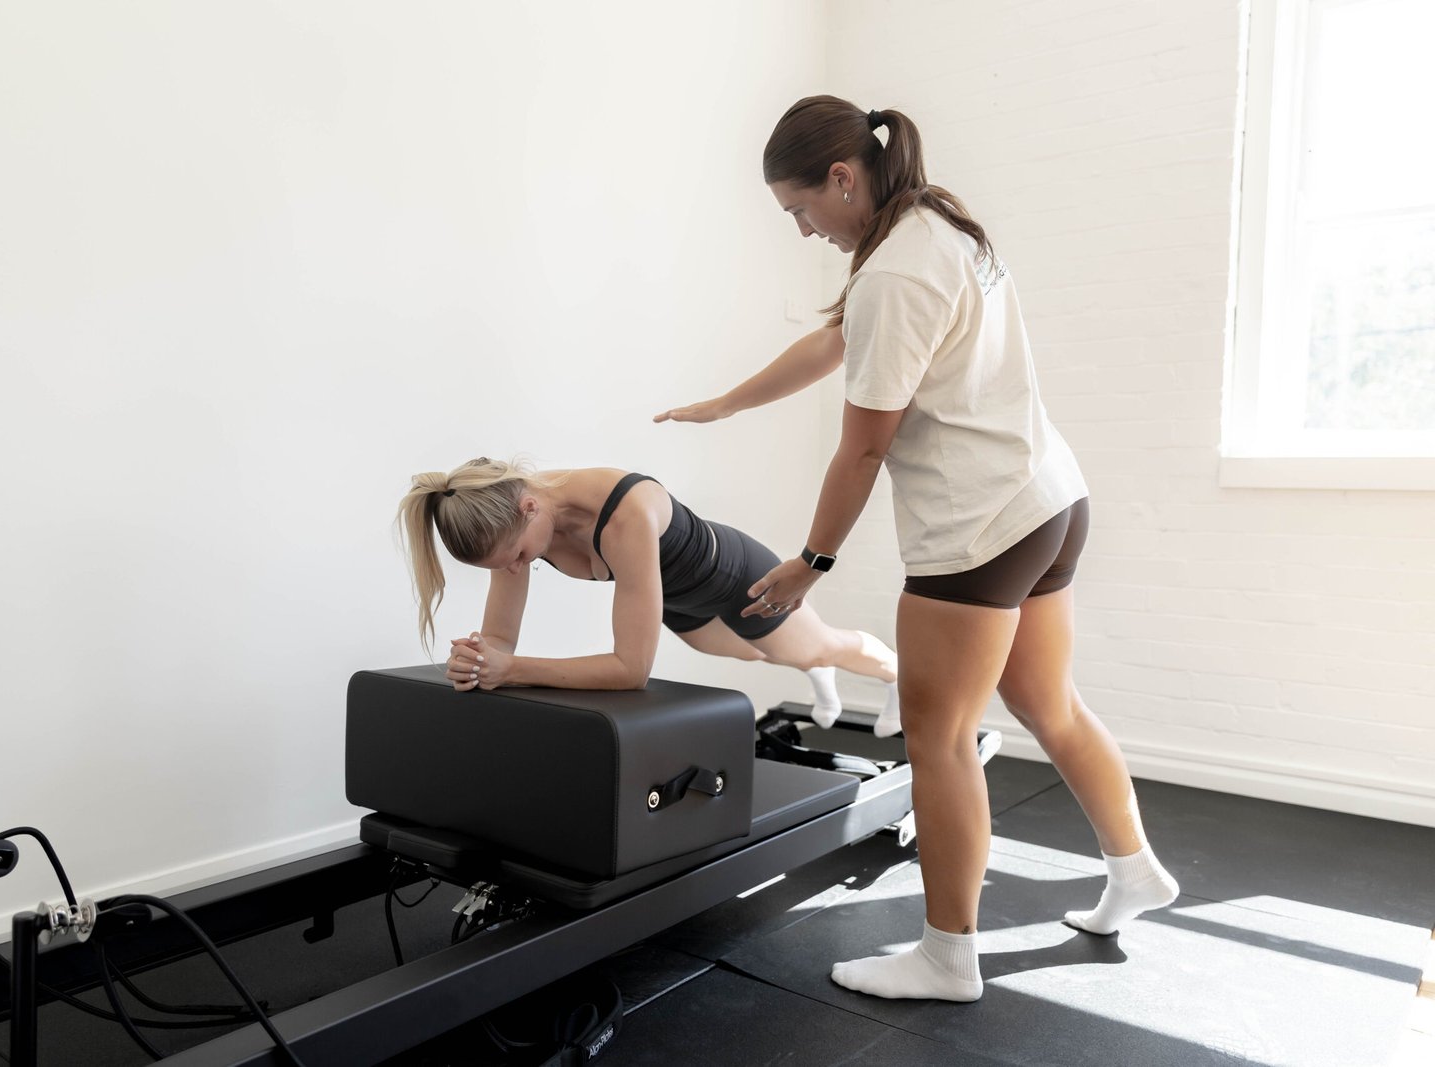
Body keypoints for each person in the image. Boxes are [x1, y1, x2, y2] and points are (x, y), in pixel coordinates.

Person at [655, 96, 1178, 1003]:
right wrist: (728, 404)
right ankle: (1135, 870)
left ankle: (948, 955)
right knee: (1050, 704)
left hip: (977, 529)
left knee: (939, 738)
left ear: (843, 178)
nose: (804, 228)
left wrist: (809, 562)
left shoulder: (895, 266)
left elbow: (862, 445)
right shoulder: (933, 218)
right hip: (1047, 498)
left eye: (801, 209)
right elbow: (839, 337)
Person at [395, 457, 901, 732]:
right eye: (499, 566)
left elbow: (630, 672)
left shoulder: (623, 514)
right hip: (679, 603)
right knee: (759, 653)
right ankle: (809, 664)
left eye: (518, 558)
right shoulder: (513, 527)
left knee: (819, 646)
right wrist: (480, 660)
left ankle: (897, 673)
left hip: (736, 577)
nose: (511, 570)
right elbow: (500, 637)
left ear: (531, 506)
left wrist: (514, 668)